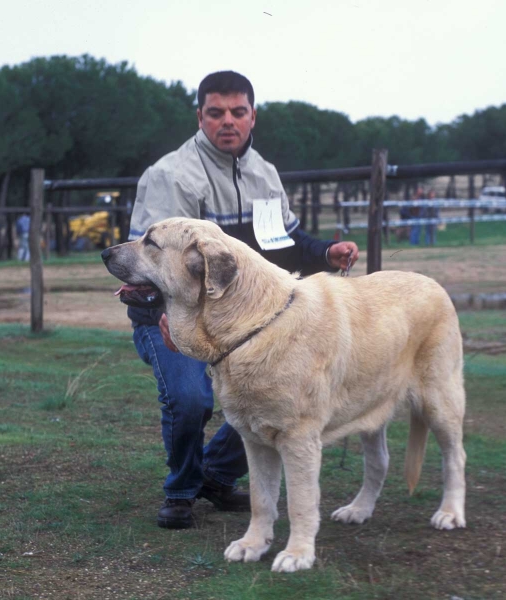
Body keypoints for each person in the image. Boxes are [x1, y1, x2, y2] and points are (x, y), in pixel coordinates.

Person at [127, 71, 359, 529]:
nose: (227, 121)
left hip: (240, 321)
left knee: (267, 395)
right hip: (175, 317)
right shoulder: (171, 176)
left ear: (253, 116)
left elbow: (282, 239)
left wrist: (325, 253)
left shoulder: (264, 174)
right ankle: (182, 489)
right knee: (191, 397)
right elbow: (149, 262)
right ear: (200, 117)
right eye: (216, 113)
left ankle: (215, 474)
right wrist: (160, 316)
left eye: (238, 112)